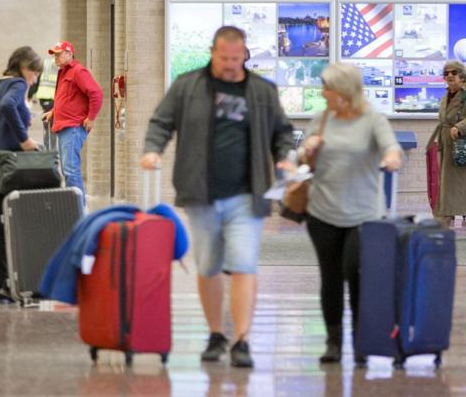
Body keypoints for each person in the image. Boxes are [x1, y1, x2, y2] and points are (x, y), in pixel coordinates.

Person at [141, 26, 294, 369]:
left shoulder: (261, 90)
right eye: (224, 58)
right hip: (201, 193)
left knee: (243, 265)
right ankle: (215, 334)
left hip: (247, 193)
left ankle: (241, 339)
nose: (229, 65)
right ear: (213, 52)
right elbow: (161, 122)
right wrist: (153, 150)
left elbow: (281, 132)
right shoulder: (187, 85)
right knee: (209, 266)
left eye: (236, 59)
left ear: (245, 55)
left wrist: (284, 156)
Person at [300, 63, 402, 365]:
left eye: (327, 87)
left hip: (363, 215)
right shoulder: (321, 119)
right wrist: (308, 149)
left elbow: (390, 146)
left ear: (344, 92)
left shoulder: (372, 119)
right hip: (322, 211)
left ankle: (361, 341)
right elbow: (303, 161)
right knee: (330, 279)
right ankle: (333, 342)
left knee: (356, 275)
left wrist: (391, 157)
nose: (323, 93)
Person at [0, 47, 43, 303]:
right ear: (25, 68)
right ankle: (5, 285)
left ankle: (1, 285)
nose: (35, 80)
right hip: (5, 168)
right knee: (7, 229)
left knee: (0, 227)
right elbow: (8, 107)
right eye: (34, 73)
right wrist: (24, 140)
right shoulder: (16, 85)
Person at [42, 41, 103, 198]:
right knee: (67, 170)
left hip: (73, 127)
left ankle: (78, 210)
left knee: (70, 170)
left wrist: (91, 118)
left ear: (70, 53)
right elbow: (67, 97)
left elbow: (96, 93)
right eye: (54, 54)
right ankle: (74, 207)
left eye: (59, 54)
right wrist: (54, 111)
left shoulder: (78, 71)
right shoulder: (63, 73)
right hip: (64, 127)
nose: (56, 57)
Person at [432, 60, 466, 226]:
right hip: (446, 142)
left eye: (453, 72)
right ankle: (448, 211)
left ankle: (458, 211)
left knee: (460, 178)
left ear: (461, 75)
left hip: (461, 143)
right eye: (446, 73)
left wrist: (459, 127)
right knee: (446, 179)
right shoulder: (446, 95)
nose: (450, 76)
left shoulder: (465, 94)